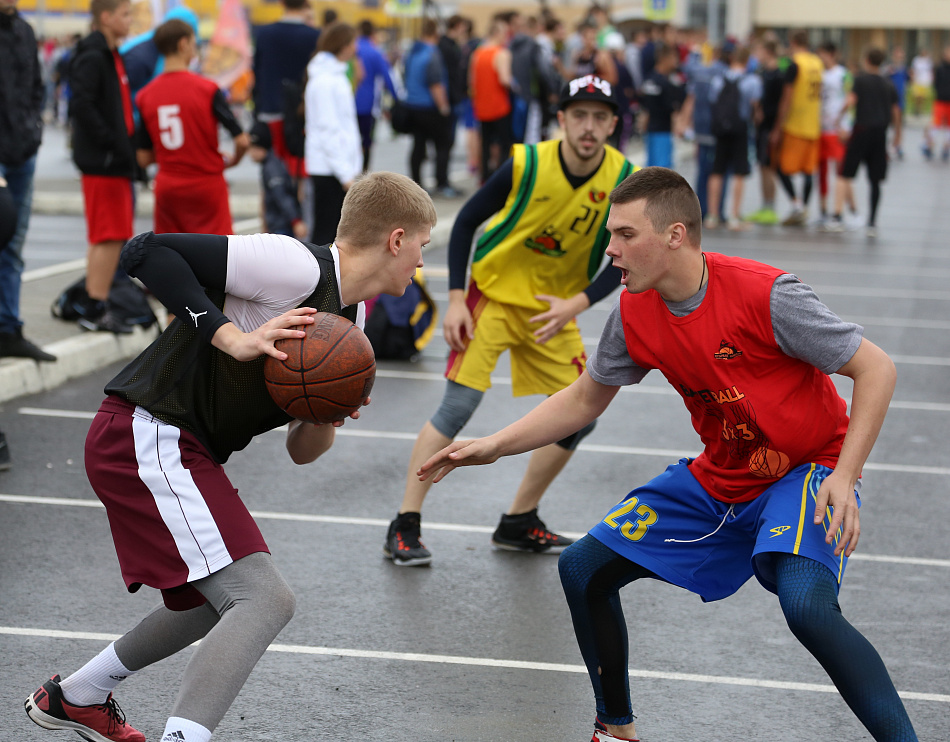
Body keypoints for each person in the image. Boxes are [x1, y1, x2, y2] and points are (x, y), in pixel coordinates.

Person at [418, 166, 919, 742]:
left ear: (675, 235)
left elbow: (875, 368)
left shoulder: (768, 294)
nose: (612, 250)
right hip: (724, 474)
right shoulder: (633, 312)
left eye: (626, 235)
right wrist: (493, 446)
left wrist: (846, 474)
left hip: (808, 467)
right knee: (582, 569)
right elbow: (585, 397)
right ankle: (615, 728)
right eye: (612, 235)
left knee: (806, 605)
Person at [24, 171, 437, 742]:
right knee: (265, 599)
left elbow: (302, 451)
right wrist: (230, 336)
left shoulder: (349, 325)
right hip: (147, 430)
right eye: (423, 246)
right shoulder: (296, 267)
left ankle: (78, 696)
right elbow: (147, 251)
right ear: (396, 239)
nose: (421, 262)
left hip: (176, 445)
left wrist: (326, 414)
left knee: (207, 601)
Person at [384, 75, 634, 567]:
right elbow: (465, 223)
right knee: (457, 409)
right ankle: (404, 523)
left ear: (613, 125)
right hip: (492, 296)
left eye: (599, 118)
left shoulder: (624, 177)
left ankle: (519, 520)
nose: (589, 127)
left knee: (581, 415)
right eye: (579, 115)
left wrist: (578, 303)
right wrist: (456, 297)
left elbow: (624, 256)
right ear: (561, 120)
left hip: (551, 309)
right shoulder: (528, 163)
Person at [135, 19, 248, 236]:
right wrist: (233, 161)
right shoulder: (208, 89)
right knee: (217, 253)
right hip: (206, 184)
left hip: (168, 185)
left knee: (173, 252)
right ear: (183, 44)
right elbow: (241, 140)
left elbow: (143, 157)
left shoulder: (145, 95)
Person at [69, 0, 136, 334]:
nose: (130, 20)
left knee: (112, 234)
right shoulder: (94, 56)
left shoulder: (111, 54)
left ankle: (97, 301)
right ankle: (95, 306)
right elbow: (81, 104)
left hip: (114, 160)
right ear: (106, 17)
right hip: (103, 162)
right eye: (125, 14)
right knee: (108, 235)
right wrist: (111, 143)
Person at [0, 0, 57, 362]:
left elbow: (36, 87)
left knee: (14, 245)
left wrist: (33, 130)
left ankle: (8, 328)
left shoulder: (24, 31)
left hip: (22, 152)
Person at [830, 48, 901, 238]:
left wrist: (838, 119)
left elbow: (850, 101)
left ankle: (837, 216)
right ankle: (872, 222)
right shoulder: (888, 83)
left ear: (867, 60)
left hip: (861, 131)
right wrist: (897, 136)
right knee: (875, 180)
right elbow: (896, 112)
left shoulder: (860, 81)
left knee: (845, 173)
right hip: (880, 134)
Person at [304, 22, 362, 246]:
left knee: (332, 234)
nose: (355, 48)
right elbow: (328, 129)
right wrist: (345, 174)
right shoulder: (325, 80)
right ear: (344, 45)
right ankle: (321, 281)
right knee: (326, 235)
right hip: (330, 168)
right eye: (353, 42)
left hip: (335, 167)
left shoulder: (332, 75)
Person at [251, 0, 319, 180]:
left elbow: (257, 76)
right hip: (304, 114)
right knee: (301, 174)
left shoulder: (264, 34)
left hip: (271, 111)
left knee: (272, 176)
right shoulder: (315, 36)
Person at [705, 45, 761, 231]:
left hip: (721, 129)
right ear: (747, 60)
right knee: (739, 172)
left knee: (717, 170)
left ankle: (712, 215)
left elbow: (712, 101)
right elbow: (754, 107)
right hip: (741, 129)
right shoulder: (752, 80)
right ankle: (734, 216)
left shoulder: (718, 79)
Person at [771, 30, 822, 226]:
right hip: (813, 124)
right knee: (809, 170)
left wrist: (778, 125)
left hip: (796, 124)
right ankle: (803, 207)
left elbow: (787, 96)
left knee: (781, 166)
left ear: (793, 42)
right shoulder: (817, 63)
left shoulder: (795, 64)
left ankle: (797, 204)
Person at [403, 18, 456, 197]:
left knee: (418, 146)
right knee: (443, 145)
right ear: (436, 33)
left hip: (413, 105)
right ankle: (442, 182)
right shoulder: (432, 53)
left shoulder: (412, 52)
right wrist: (444, 107)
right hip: (430, 107)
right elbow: (436, 84)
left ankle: (415, 183)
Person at [745, 38, 786, 225]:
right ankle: (764, 205)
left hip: (770, 127)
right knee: (762, 166)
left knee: (769, 166)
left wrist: (777, 128)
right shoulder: (762, 72)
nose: (756, 55)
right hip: (760, 127)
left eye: (759, 51)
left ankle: (770, 206)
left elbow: (781, 105)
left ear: (767, 52)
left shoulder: (778, 75)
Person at [470, 14, 513, 184]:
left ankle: (484, 175)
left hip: (481, 106)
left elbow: (471, 81)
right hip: (499, 105)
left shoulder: (478, 53)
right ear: (498, 33)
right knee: (504, 143)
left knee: (485, 143)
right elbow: (504, 79)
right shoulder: (502, 53)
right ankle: (502, 177)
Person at [816, 40, 854, 228]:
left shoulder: (843, 74)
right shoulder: (818, 73)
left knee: (840, 169)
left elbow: (851, 99)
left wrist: (845, 125)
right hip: (819, 128)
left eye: (822, 54)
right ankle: (823, 210)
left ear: (831, 54)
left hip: (836, 129)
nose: (820, 58)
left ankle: (843, 210)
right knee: (821, 170)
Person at [248, 120, 307, 239]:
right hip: (278, 225)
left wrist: (295, 221)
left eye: (252, 148)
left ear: (259, 146)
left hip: (281, 226)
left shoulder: (272, 169)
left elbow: (282, 196)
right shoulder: (270, 164)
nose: (249, 153)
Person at [355, 19, 398, 171]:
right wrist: (396, 99)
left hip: (348, 103)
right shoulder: (375, 52)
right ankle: (363, 174)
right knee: (366, 141)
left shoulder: (351, 48)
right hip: (368, 105)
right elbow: (387, 77)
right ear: (373, 33)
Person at [640, 42, 685, 168]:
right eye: (674, 57)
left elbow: (645, 106)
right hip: (663, 132)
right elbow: (671, 108)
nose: (676, 61)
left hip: (651, 131)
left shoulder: (649, 79)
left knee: (650, 171)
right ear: (665, 58)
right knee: (662, 173)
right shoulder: (665, 83)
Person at [922, 45, 950, 162]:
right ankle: (929, 145)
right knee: (936, 125)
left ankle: (946, 148)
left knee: (948, 127)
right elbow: (935, 84)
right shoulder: (939, 68)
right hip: (940, 100)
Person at [884, 45, 908, 159]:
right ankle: (887, 147)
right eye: (898, 54)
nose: (900, 57)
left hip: (900, 100)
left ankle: (898, 146)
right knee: (888, 124)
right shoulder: (889, 69)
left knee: (899, 125)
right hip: (889, 100)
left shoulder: (904, 69)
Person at [909, 47, 933, 118]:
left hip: (925, 81)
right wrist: (912, 78)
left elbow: (930, 71)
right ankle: (917, 109)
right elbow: (913, 69)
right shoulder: (916, 60)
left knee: (923, 97)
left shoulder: (928, 60)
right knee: (917, 96)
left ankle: (921, 110)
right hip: (917, 80)